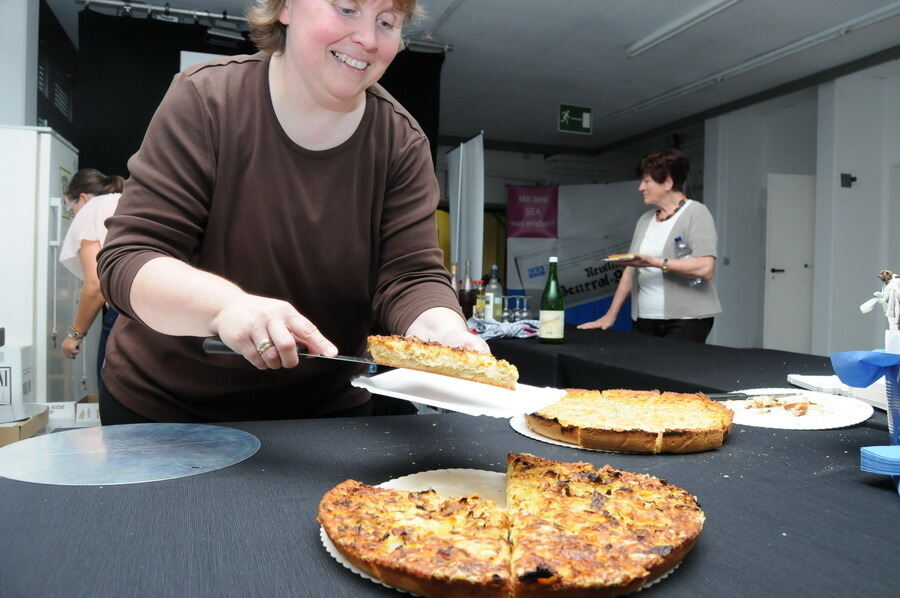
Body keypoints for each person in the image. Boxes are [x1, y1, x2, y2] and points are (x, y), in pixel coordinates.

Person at [96, 0, 486, 425]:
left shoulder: (401, 143)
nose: (368, 39)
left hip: (320, 411)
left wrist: (444, 331)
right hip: (167, 406)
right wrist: (227, 307)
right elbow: (130, 259)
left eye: (387, 22)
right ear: (285, 8)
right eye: (347, 9)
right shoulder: (207, 98)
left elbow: (411, 277)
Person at [578, 148, 721, 342]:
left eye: (647, 181)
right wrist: (610, 315)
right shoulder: (645, 219)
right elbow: (630, 271)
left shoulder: (696, 213)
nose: (640, 188)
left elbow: (705, 268)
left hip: (686, 320)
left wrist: (656, 262)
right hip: (644, 320)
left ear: (668, 183)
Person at [59, 168, 125, 379]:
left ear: (83, 197)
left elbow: (96, 285)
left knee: (112, 389)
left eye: (72, 208)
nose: (74, 214)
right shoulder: (126, 201)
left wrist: (74, 335)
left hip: (122, 314)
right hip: (160, 310)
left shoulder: (91, 209)